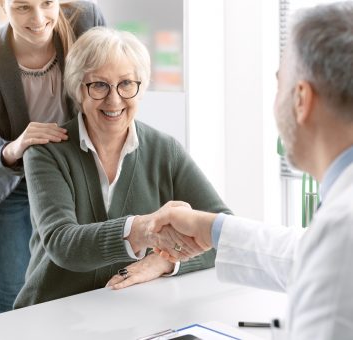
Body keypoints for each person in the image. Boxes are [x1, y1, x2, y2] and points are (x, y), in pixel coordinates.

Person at [149, 2, 353, 339]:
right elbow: (306, 253)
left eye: (278, 84)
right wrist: (212, 229)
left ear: (301, 99)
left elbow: (327, 256)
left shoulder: (341, 230)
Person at [13, 26, 231, 308]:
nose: (114, 99)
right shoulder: (46, 153)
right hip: (50, 313)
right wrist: (143, 229)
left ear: (141, 87)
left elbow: (224, 235)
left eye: (126, 83)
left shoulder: (166, 151)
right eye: (99, 85)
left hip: (128, 313)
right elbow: (62, 243)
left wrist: (164, 262)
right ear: (79, 89)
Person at [0, 0, 105, 313]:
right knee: (13, 301)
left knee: (80, 293)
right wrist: (15, 147)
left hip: (73, 174)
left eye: (46, 3)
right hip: (13, 185)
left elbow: (115, 79)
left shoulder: (83, 20)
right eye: (22, 7)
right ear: (3, 6)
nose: (38, 19)